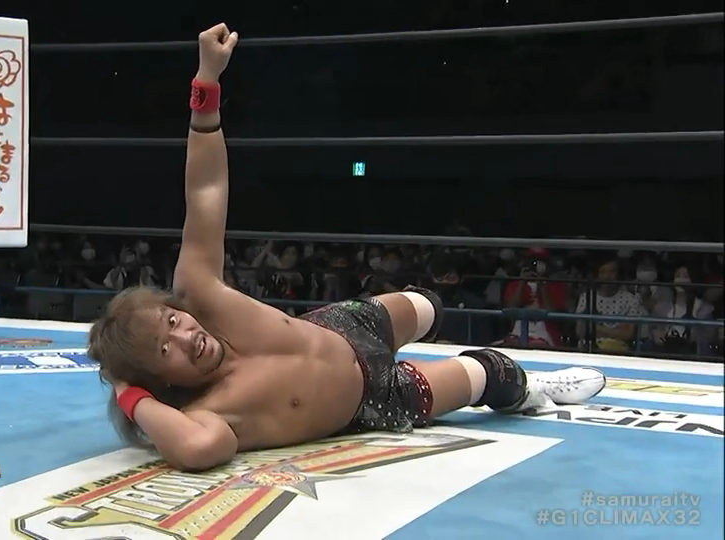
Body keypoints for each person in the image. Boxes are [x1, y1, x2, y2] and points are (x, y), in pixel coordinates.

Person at [88, 24, 606, 472]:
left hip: (338, 326)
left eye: (172, 322)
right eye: (165, 350)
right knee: (491, 372)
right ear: (159, 383)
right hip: (375, 397)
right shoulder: (210, 414)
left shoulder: (199, 293)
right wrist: (128, 393)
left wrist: (206, 82)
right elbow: (198, 449)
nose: (186, 336)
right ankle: (533, 391)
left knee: (428, 304)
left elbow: (205, 193)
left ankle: (429, 332)